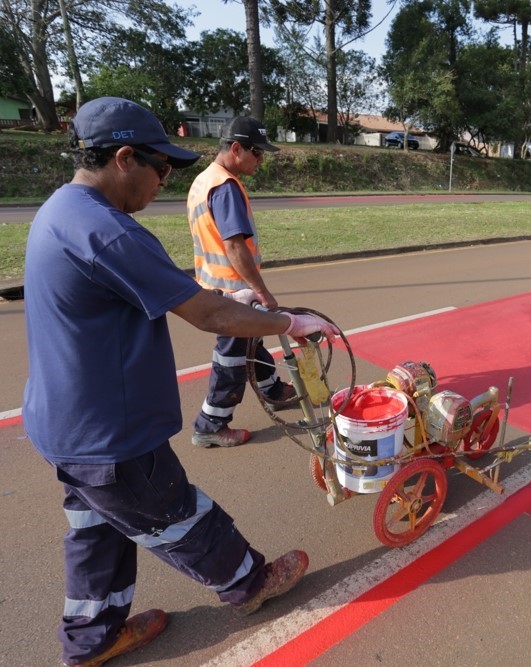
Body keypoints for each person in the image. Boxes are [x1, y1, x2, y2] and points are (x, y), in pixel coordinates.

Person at [22, 97, 339, 667]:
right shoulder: (107, 230)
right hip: (107, 430)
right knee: (174, 510)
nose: (166, 182)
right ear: (124, 158)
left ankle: (92, 635)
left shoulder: (62, 210)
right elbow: (210, 317)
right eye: (161, 169)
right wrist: (288, 321)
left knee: (97, 527)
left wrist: (229, 300)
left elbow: (182, 297)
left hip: (59, 422)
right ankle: (249, 581)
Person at [187, 116, 296, 448]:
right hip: (233, 291)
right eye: (257, 153)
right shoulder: (226, 187)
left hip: (215, 286)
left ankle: (273, 389)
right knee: (232, 359)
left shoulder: (204, 181)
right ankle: (211, 423)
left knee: (252, 342)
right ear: (236, 148)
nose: (260, 160)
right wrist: (262, 292)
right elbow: (234, 246)